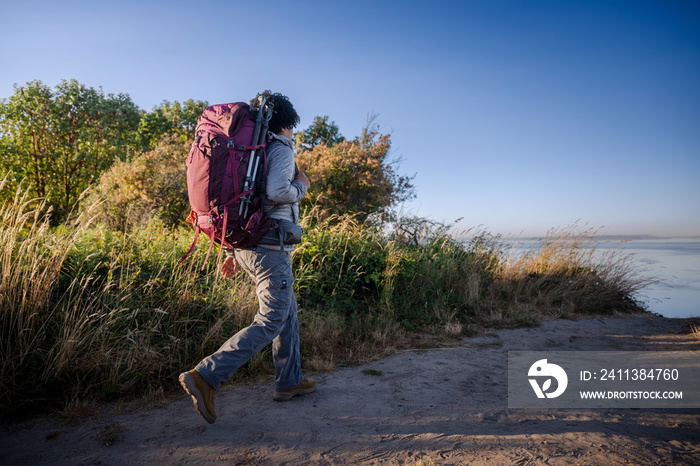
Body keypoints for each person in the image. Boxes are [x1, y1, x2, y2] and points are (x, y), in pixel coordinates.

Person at [179, 91, 315, 424]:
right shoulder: (280, 148)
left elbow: (239, 200)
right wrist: (302, 184)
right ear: (287, 124)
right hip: (270, 249)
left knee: (288, 314)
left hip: (247, 245)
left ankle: (289, 380)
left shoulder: (250, 149)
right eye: (293, 129)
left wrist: (232, 251)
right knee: (271, 319)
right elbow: (276, 193)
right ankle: (205, 376)